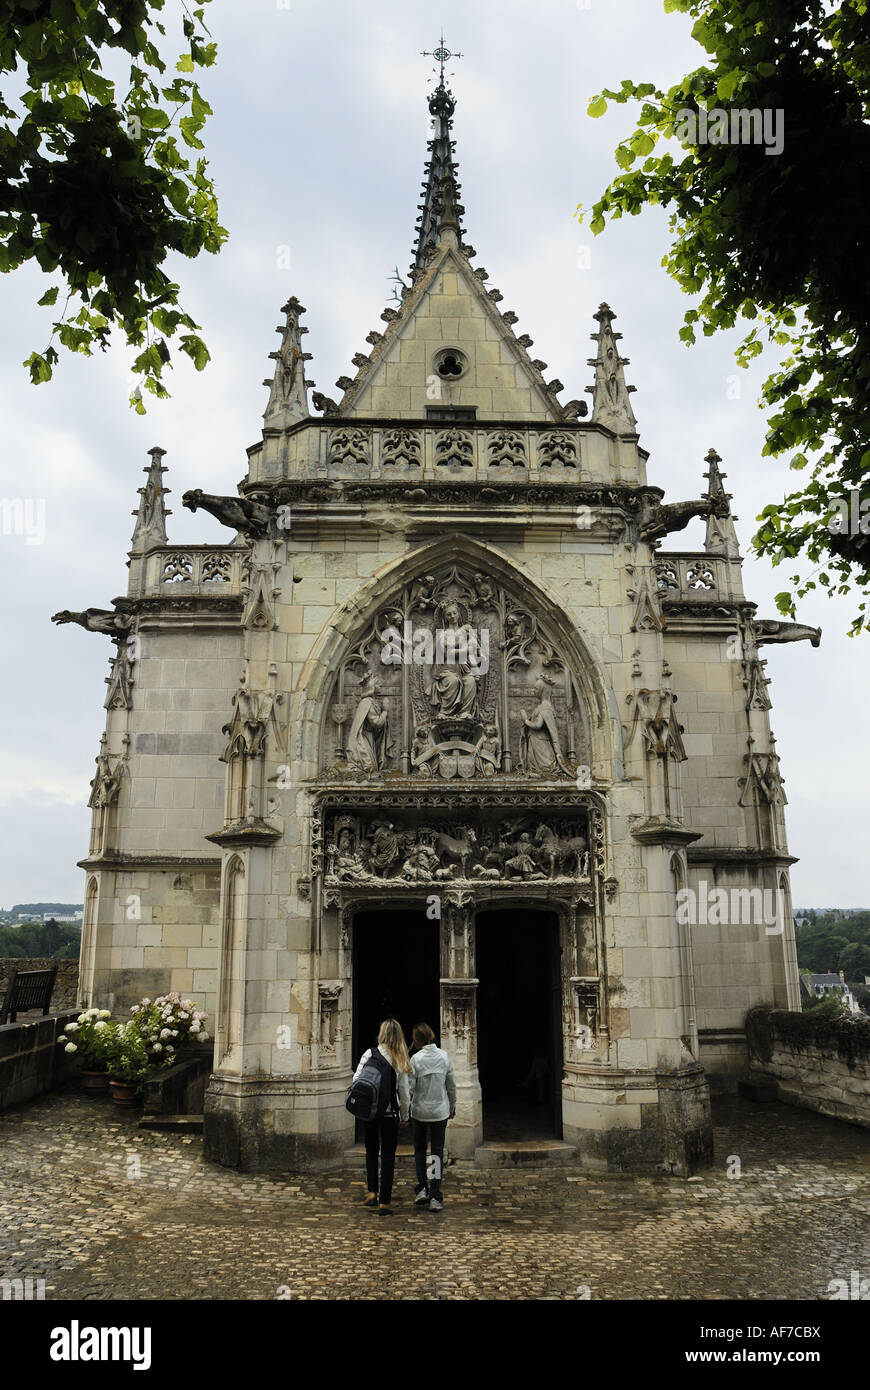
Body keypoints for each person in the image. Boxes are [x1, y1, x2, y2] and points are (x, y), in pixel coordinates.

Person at [352, 1019, 410, 1215]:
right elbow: (404, 1091)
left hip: (370, 1112)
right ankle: (385, 1201)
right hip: (388, 1113)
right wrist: (405, 1114)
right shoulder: (399, 1058)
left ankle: (371, 1192)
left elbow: (356, 1079)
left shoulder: (370, 1053)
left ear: (382, 1033)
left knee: (370, 1150)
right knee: (387, 1156)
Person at [408, 1022, 456, 1212]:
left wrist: (405, 1111)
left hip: (420, 1112)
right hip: (439, 1112)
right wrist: (452, 1106)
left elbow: (410, 1088)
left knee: (420, 1150)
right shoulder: (444, 1057)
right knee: (436, 1153)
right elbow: (451, 1085)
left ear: (417, 1040)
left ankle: (422, 1188)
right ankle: (435, 1195)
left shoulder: (416, 1060)